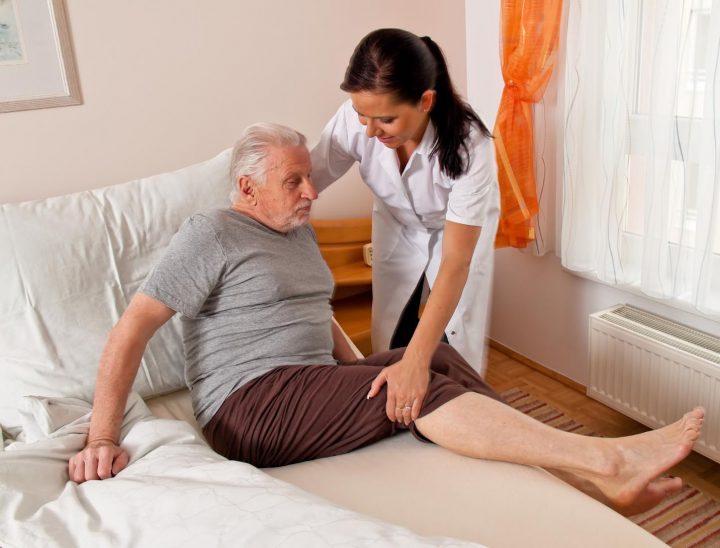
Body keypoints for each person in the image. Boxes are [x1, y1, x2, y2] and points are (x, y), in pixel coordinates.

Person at [68, 123, 704, 518]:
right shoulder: (212, 234)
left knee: (437, 360)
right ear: (246, 187)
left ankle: (578, 480)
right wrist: (101, 438)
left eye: (308, 180)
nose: (311, 192)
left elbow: (320, 318)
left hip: (305, 386)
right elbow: (132, 330)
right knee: (416, 385)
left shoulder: (294, 235)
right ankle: (605, 462)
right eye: (294, 182)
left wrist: (369, 374)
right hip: (250, 407)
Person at [311, 28, 499, 426]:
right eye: (361, 115)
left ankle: (466, 411)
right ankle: (397, 407)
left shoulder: (471, 146)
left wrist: (417, 362)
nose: (369, 131)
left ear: (426, 101)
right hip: (397, 223)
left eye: (385, 119)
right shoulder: (357, 120)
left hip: (457, 234)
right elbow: (308, 182)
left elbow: (454, 265)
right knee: (391, 328)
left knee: (454, 334)